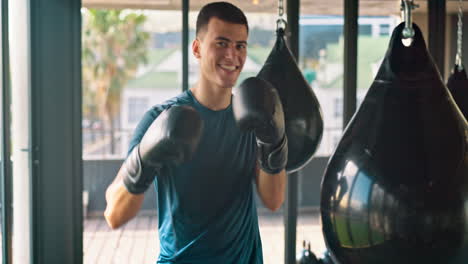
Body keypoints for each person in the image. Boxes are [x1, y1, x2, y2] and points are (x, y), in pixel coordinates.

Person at [104, 2, 287, 263]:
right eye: (221, 43)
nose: (232, 56)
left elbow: (274, 200)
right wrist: (145, 159)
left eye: (240, 46)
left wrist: (275, 142)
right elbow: (113, 214)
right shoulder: (161, 118)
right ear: (197, 48)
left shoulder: (252, 117)